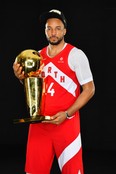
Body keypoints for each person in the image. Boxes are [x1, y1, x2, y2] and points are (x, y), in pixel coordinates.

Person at [13, 9, 95, 174]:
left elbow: (89, 89)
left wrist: (68, 113)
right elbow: (33, 88)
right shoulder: (37, 56)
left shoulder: (75, 55)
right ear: (45, 31)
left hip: (66, 125)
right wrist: (20, 77)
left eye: (58, 28)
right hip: (40, 125)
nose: (53, 32)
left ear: (65, 30)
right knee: (33, 171)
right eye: (49, 28)